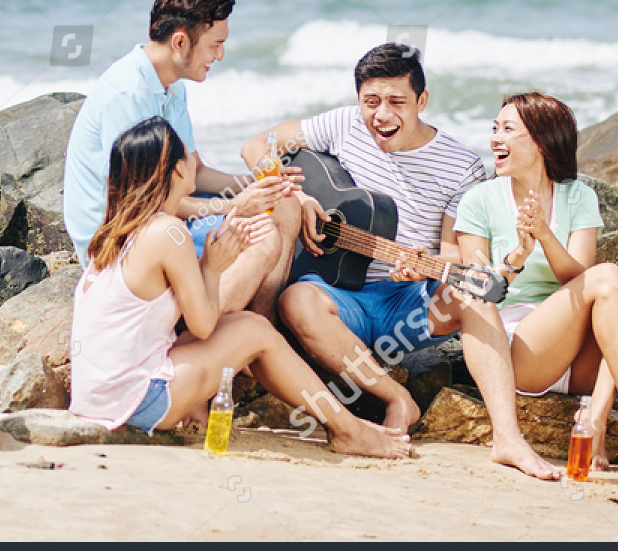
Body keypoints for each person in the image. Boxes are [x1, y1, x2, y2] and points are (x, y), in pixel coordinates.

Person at [242, 43, 563, 480]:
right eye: (371, 101)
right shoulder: (342, 124)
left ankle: (508, 438)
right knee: (297, 301)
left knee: (472, 291)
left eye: (397, 102)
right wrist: (293, 192)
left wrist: (424, 266)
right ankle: (397, 398)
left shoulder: (463, 167)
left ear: (422, 101)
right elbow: (257, 144)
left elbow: (455, 256)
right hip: (340, 294)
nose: (381, 114)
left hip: (407, 302)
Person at [68, 116, 411, 460]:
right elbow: (202, 326)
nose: (194, 162)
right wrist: (213, 268)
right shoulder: (167, 233)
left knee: (253, 327)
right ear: (176, 172)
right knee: (256, 333)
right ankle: (349, 431)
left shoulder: (116, 231)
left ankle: (344, 425)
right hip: (135, 403)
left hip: (97, 396)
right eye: (187, 156)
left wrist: (211, 264)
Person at [454, 91, 618, 467]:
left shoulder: (578, 196)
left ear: (541, 140)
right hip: (522, 352)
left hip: (578, 359)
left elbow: (577, 276)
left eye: (507, 130)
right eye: (494, 129)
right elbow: (476, 285)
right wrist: (516, 256)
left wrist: (545, 236)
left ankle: (595, 419)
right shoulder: (479, 200)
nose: (494, 140)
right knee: (609, 277)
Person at [63, 0, 314, 317]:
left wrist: (261, 186)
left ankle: (258, 326)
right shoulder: (128, 95)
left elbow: (195, 171)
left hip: (160, 215)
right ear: (180, 42)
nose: (220, 55)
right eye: (215, 44)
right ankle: (214, 330)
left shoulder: (172, 87)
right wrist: (234, 206)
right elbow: (146, 203)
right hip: (121, 240)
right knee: (261, 235)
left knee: (282, 207)